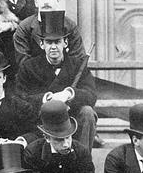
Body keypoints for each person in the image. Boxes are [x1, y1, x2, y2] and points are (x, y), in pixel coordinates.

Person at [16, 10, 97, 151]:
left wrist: (70, 94)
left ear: (65, 43)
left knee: (88, 112)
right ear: (42, 44)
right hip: (42, 120)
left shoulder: (78, 65)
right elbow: (20, 99)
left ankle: (83, 158)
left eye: (57, 42)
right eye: (49, 42)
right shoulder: (29, 67)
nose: (53, 47)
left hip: (71, 118)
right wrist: (46, 99)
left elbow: (91, 95)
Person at [12, 0, 85, 66]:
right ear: (36, 2)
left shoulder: (70, 26)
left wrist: (60, 72)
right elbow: (24, 62)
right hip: (34, 74)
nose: (46, 2)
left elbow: (79, 58)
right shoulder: (24, 28)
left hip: (66, 74)